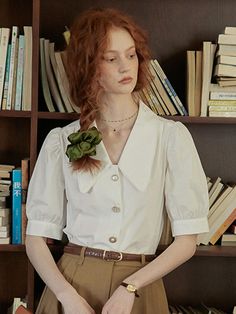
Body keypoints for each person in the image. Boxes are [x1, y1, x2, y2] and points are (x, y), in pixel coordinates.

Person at [25, 7, 209, 314]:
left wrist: (131, 287)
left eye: (131, 55)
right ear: (89, 67)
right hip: (73, 283)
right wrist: (65, 296)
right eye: (111, 58)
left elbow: (187, 241)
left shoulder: (171, 138)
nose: (126, 66)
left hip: (140, 287)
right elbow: (35, 239)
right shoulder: (62, 140)